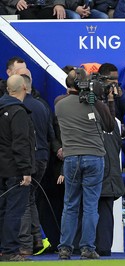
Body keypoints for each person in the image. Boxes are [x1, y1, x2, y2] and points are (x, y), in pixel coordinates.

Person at [55, 68, 114, 260]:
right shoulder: (94, 104)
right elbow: (110, 125)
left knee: (70, 205)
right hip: (94, 157)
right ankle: (87, 248)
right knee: (90, 206)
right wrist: (96, 98)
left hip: (71, 158)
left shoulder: (59, 104)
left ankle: (65, 248)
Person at [17, 71, 54, 256]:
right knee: (30, 199)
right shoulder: (42, 105)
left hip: (27, 160)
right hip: (43, 159)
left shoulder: (18, 107)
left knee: (23, 200)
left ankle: (24, 246)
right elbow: (50, 135)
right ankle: (37, 239)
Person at [0, 75, 35, 261]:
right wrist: (26, 171)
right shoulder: (18, 112)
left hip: (2, 169)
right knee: (14, 211)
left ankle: (4, 249)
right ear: (24, 88)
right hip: (15, 171)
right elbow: (21, 143)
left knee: (3, 211)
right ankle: (10, 251)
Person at [95, 63, 125, 256]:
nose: (113, 84)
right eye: (110, 81)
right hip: (103, 169)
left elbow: (122, 114)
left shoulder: (113, 119)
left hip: (108, 169)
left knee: (102, 207)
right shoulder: (98, 113)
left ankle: (98, 247)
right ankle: (96, 247)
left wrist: (118, 98)